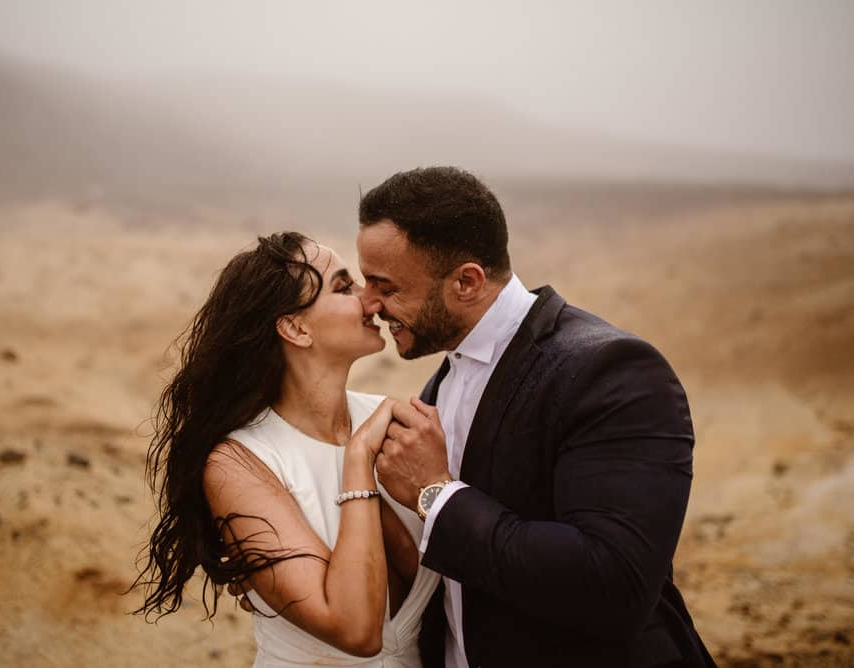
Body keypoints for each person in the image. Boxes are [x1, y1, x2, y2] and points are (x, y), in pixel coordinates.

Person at [356, 167, 716, 667]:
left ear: (466, 281)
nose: (369, 304)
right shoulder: (441, 381)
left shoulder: (611, 372)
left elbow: (614, 586)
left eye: (385, 286)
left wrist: (434, 494)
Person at [132, 232, 440, 666]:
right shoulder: (239, 462)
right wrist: (356, 462)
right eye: (343, 286)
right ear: (295, 328)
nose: (371, 301)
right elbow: (357, 631)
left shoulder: (393, 422)